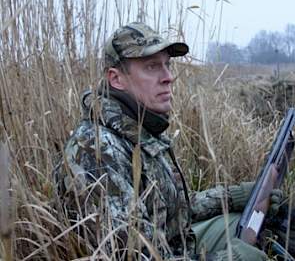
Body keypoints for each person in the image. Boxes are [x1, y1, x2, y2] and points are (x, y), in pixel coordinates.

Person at [55, 22, 294, 260]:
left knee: (265, 225)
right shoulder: (96, 151)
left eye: (167, 65)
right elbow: (134, 256)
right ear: (116, 79)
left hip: (177, 247)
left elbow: (172, 212)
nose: (168, 77)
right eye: (151, 67)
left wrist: (235, 197)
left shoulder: (140, 131)